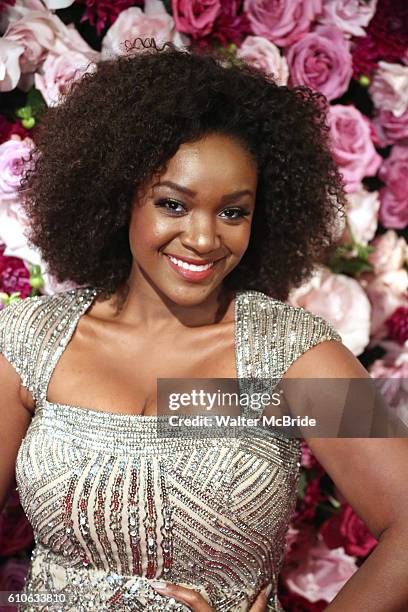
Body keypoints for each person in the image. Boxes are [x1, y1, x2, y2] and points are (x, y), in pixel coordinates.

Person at [0, 38, 407, 612]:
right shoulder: (31, 339)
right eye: (173, 203)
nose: (203, 238)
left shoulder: (291, 355)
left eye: (233, 211)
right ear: (121, 196)